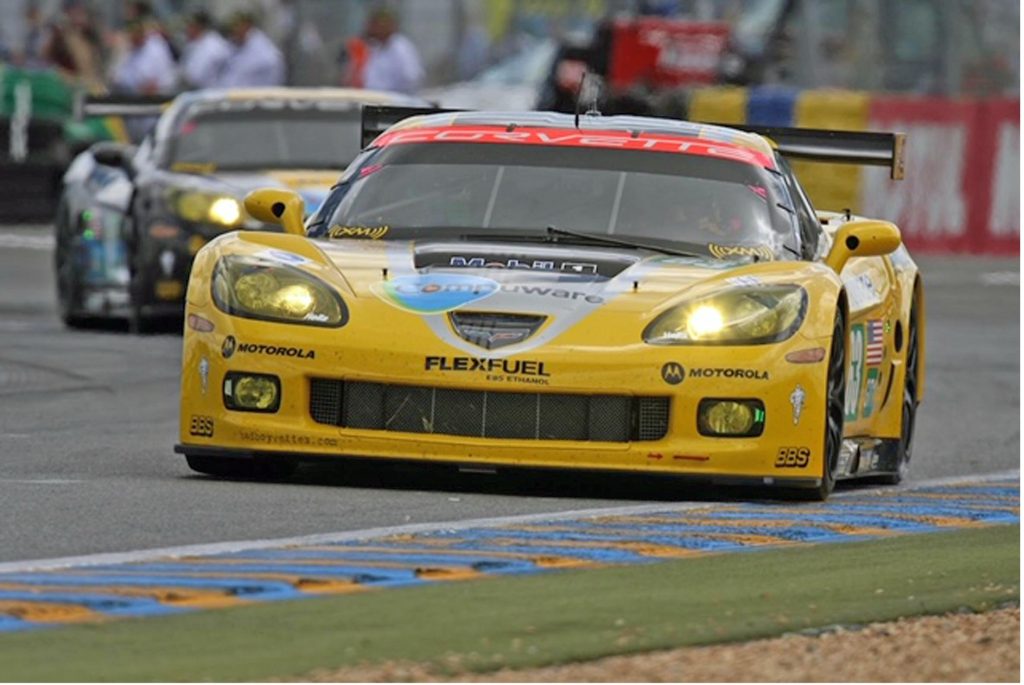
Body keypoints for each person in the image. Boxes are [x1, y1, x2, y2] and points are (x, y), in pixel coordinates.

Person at [362, 8, 424, 94]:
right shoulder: (373, 47)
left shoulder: (401, 47)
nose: (376, 29)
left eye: (381, 26)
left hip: (395, 99)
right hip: (373, 97)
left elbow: (412, 77)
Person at [110, 16, 177, 94]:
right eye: (131, 33)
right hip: (133, 96)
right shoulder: (128, 50)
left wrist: (156, 84)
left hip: (159, 95)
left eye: (136, 33)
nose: (133, 37)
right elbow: (117, 77)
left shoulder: (157, 46)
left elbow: (168, 76)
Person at [217, 11, 285, 87]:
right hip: (231, 94)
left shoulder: (263, 51)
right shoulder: (235, 44)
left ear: (246, 25)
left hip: (256, 96)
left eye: (236, 26)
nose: (233, 31)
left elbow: (273, 66)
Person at [180, 10, 231, 89]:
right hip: (200, 92)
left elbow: (196, 77)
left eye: (189, 25)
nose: (186, 29)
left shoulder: (214, 45)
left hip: (215, 92)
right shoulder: (193, 44)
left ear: (198, 26)